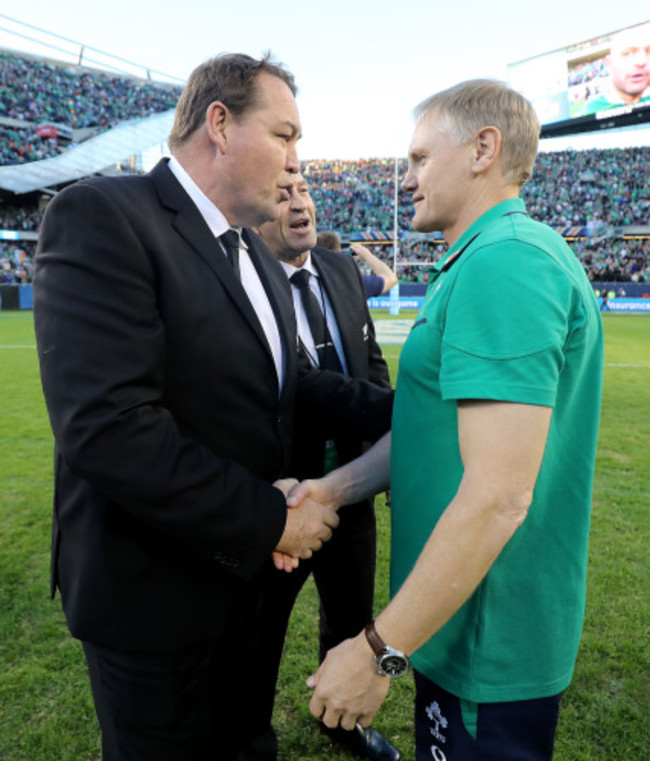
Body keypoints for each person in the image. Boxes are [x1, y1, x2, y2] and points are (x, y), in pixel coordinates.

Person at [32, 53, 392, 761]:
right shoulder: (105, 216)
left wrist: (413, 414)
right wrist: (272, 520)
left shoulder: (254, 257)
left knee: (246, 744)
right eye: (285, 135)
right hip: (151, 600)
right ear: (219, 125)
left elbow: (292, 388)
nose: (297, 163)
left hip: (245, 586)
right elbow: (110, 430)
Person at [291, 79, 604, 760]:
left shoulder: (506, 262)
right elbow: (432, 428)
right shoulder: (481, 259)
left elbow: (497, 496)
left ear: (483, 149)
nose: (406, 180)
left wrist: (378, 651)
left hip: (491, 629)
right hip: (460, 617)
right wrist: (334, 488)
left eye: (420, 158)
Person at [244, 174, 400, 761]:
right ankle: (249, 735)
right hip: (284, 501)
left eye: (304, 190)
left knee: (351, 618)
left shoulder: (337, 269)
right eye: (281, 194)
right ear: (256, 213)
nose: (299, 202)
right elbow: (297, 389)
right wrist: (416, 414)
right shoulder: (241, 283)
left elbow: (371, 366)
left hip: (352, 489)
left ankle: (342, 723)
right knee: (258, 635)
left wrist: (392, 451)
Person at [578, 23, 650, 115]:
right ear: (609, 63)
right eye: (627, 53)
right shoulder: (592, 110)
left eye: (648, 52)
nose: (641, 61)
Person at [316, 229, 398, 296]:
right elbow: (391, 278)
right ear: (338, 252)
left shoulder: (307, 281)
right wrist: (367, 256)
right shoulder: (351, 282)